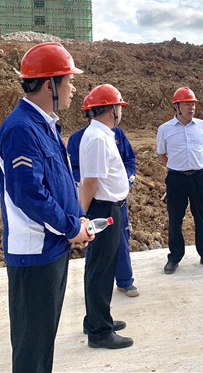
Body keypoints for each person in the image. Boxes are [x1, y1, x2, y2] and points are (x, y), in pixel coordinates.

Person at [0, 42, 93, 373]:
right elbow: (28, 193)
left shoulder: (45, 124)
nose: (73, 88)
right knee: (32, 351)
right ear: (50, 84)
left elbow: (59, 182)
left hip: (52, 248)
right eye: (69, 80)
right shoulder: (21, 129)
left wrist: (77, 218)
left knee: (42, 344)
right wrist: (71, 228)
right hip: (34, 255)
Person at [79, 84, 133, 350]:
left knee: (99, 267)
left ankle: (97, 320)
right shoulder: (99, 138)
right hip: (103, 210)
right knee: (101, 270)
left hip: (108, 207)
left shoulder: (99, 134)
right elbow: (90, 182)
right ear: (112, 110)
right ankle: (99, 332)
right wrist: (81, 216)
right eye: (119, 108)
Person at [68, 113, 139, 296]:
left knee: (121, 239)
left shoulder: (117, 134)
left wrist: (125, 180)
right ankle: (96, 294)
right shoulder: (82, 138)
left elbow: (128, 160)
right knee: (96, 246)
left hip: (117, 202)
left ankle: (124, 280)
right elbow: (74, 168)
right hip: (96, 200)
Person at [157, 87, 203, 274]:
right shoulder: (164, 129)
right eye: (187, 104)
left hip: (199, 177)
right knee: (175, 218)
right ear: (176, 106)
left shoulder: (202, 125)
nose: (191, 107)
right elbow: (161, 155)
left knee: (201, 217)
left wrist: (194, 164)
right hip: (176, 179)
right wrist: (176, 166)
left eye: (193, 104)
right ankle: (174, 257)